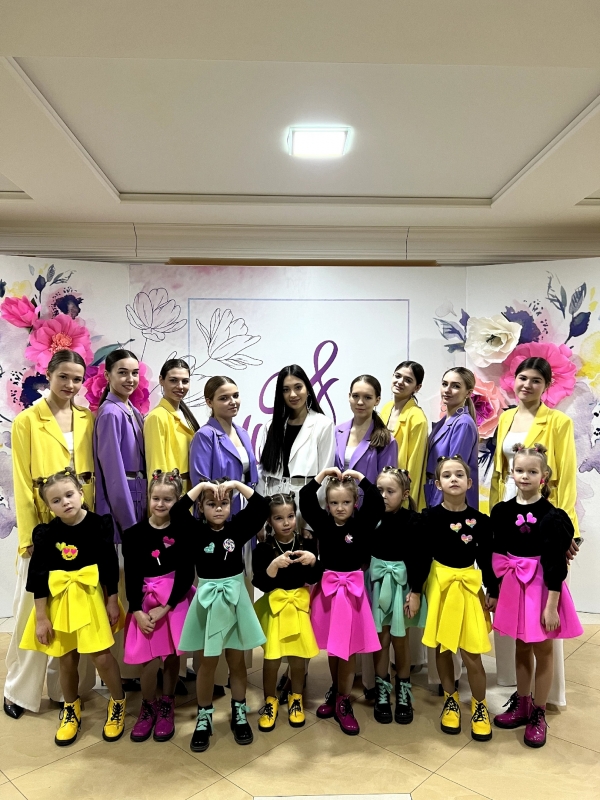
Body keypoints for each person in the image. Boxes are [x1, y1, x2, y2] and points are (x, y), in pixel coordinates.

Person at [4, 350, 96, 720]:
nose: (70, 385)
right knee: (31, 613)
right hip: (43, 529)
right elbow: (21, 483)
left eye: (77, 379)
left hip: (80, 526)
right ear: (49, 375)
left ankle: (66, 691)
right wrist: (29, 537)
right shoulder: (27, 421)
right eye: (64, 377)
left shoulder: (88, 418)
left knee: (73, 611)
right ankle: (19, 690)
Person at [489, 356, 579, 706]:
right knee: (517, 622)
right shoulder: (506, 417)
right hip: (509, 515)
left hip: (543, 519)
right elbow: (499, 474)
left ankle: (544, 701)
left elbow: (565, 476)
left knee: (543, 618)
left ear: (547, 385)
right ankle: (520, 694)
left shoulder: (558, 421)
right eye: (522, 378)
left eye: (535, 380)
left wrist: (567, 531)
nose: (527, 385)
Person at [19, 469, 126, 746]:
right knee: (66, 659)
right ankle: (71, 708)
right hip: (60, 603)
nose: (65, 502)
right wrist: (41, 617)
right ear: (48, 506)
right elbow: (38, 577)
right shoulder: (45, 534)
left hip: (91, 600)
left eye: (69, 495)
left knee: (102, 656)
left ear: (80, 492)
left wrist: (112, 601)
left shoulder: (99, 524)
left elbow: (109, 566)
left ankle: (118, 702)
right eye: (56, 500)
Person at [489, 444, 583, 748]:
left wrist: (551, 606)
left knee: (543, 650)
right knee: (520, 646)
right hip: (514, 587)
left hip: (542, 590)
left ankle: (539, 712)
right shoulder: (501, 512)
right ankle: (523, 703)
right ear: (512, 473)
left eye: (532, 471)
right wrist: (494, 591)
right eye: (519, 470)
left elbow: (556, 564)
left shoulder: (553, 517)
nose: (525, 476)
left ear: (544, 476)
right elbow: (496, 553)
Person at [177, 478, 269, 752]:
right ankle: (204, 716)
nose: (218, 509)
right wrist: (201, 487)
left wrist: (236, 485)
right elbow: (177, 512)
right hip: (208, 603)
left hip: (234, 600)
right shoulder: (195, 531)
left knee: (236, 661)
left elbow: (261, 507)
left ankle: (239, 711)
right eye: (211, 504)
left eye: (224, 503)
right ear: (201, 507)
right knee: (207, 662)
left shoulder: (237, 529)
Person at [299, 467, 384, 736]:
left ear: (355, 502)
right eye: (334, 502)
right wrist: (322, 475)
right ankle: (336, 693)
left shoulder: (361, 524)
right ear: (327, 504)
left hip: (352, 593)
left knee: (347, 648)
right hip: (328, 592)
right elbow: (305, 498)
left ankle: (344, 701)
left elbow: (377, 503)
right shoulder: (323, 523)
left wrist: (360, 478)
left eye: (346, 502)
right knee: (334, 649)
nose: (340, 507)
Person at [421, 455, 496, 742]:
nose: (454, 479)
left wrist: (493, 590)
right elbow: (421, 558)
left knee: (471, 651)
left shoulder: (481, 521)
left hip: (467, 587)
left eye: (459, 475)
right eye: (447, 475)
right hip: (440, 586)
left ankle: (479, 705)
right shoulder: (429, 518)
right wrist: (415, 590)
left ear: (469, 482)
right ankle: (450, 699)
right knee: (443, 648)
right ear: (438, 484)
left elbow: (486, 559)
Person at [122, 469, 196, 743]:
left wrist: (166, 607)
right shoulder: (134, 535)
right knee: (149, 659)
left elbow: (186, 574)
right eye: (156, 498)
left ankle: (167, 702)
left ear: (177, 501)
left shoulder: (183, 531)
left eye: (168, 499)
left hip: (174, 602)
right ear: (148, 499)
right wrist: (138, 611)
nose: (161, 504)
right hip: (145, 605)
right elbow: (131, 577)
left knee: (173, 654)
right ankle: (148, 705)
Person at [94, 349, 147, 687]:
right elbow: (113, 473)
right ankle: (125, 671)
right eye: (122, 372)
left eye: (134, 373)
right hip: (121, 510)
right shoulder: (110, 413)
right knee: (123, 589)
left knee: (136, 587)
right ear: (108, 375)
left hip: (139, 499)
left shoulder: (133, 411)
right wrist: (129, 525)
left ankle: (139, 664)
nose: (130, 379)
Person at [252, 492, 321, 732]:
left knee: (298, 658)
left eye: (290, 516)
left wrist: (313, 561)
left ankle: (296, 698)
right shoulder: (263, 548)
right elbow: (260, 583)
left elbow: (314, 577)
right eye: (279, 518)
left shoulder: (306, 543)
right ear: (270, 521)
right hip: (276, 609)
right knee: (272, 659)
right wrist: (273, 566)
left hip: (298, 608)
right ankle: (270, 701)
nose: (286, 522)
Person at [370, 467, 429, 725]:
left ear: (404, 494)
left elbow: (421, 559)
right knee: (381, 639)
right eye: (379, 490)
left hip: (402, 588)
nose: (383, 496)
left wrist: (415, 592)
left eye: (390, 491)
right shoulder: (370, 518)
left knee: (400, 640)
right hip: (377, 585)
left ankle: (403, 691)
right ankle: (382, 691)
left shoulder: (414, 521)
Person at [258, 364, 335, 503]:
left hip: (306, 501)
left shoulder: (323, 424)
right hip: (273, 501)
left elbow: (325, 475)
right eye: (286, 390)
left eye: (298, 387)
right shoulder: (271, 426)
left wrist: (316, 512)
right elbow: (262, 473)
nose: (292, 394)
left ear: (308, 389)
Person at [190, 376, 258, 514]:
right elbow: (201, 485)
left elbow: (252, 478)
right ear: (209, 402)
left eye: (235, 396)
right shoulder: (204, 435)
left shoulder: (243, 433)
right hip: (218, 513)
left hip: (246, 510)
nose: (233, 402)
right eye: (224, 398)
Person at [425, 368, 479, 509]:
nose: (447, 390)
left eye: (455, 386)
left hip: (448, 500)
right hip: (435, 490)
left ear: (468, 393)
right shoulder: (445, 421)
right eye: (445, 384)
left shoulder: (463, 423)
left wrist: (438, 506)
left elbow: (453, 472)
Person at [144, 359, 199, 496]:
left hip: (191, 491)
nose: (180, 386)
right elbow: (156, 467)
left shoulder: (186, 415)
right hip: (172, 494)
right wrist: (163, 500)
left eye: (185, 381)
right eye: (173, 380)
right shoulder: (157, 417)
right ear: (161, 380)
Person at [334, 374, 398, 493]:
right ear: (349, 397)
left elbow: (388, 485)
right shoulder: (336, 432)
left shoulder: (386, 440)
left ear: (377, 400)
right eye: (355, 396)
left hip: (368, 503)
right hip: (336, 502)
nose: (360, 402)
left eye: (367, 397)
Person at [380, 361, 428, 511]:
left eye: (408, 380)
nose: (400, 382)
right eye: (397, 376)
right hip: (381, 485)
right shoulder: (386, 408)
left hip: (399, 495)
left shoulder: (417, 418)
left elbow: (414, 467)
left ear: (417, 387)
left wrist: (406, 503)